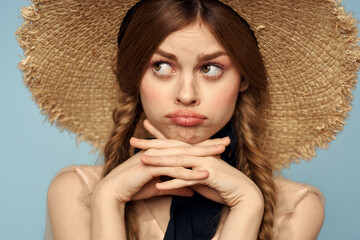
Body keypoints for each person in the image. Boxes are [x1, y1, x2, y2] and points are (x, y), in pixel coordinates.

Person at [16, 0, 359, 239]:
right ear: (136, 76)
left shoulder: (296, 208)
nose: (186, 94)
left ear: (242, 79)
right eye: (161, 66)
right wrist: (108, 200)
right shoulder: (77, 192)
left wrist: (247, 204)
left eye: (211, 68)